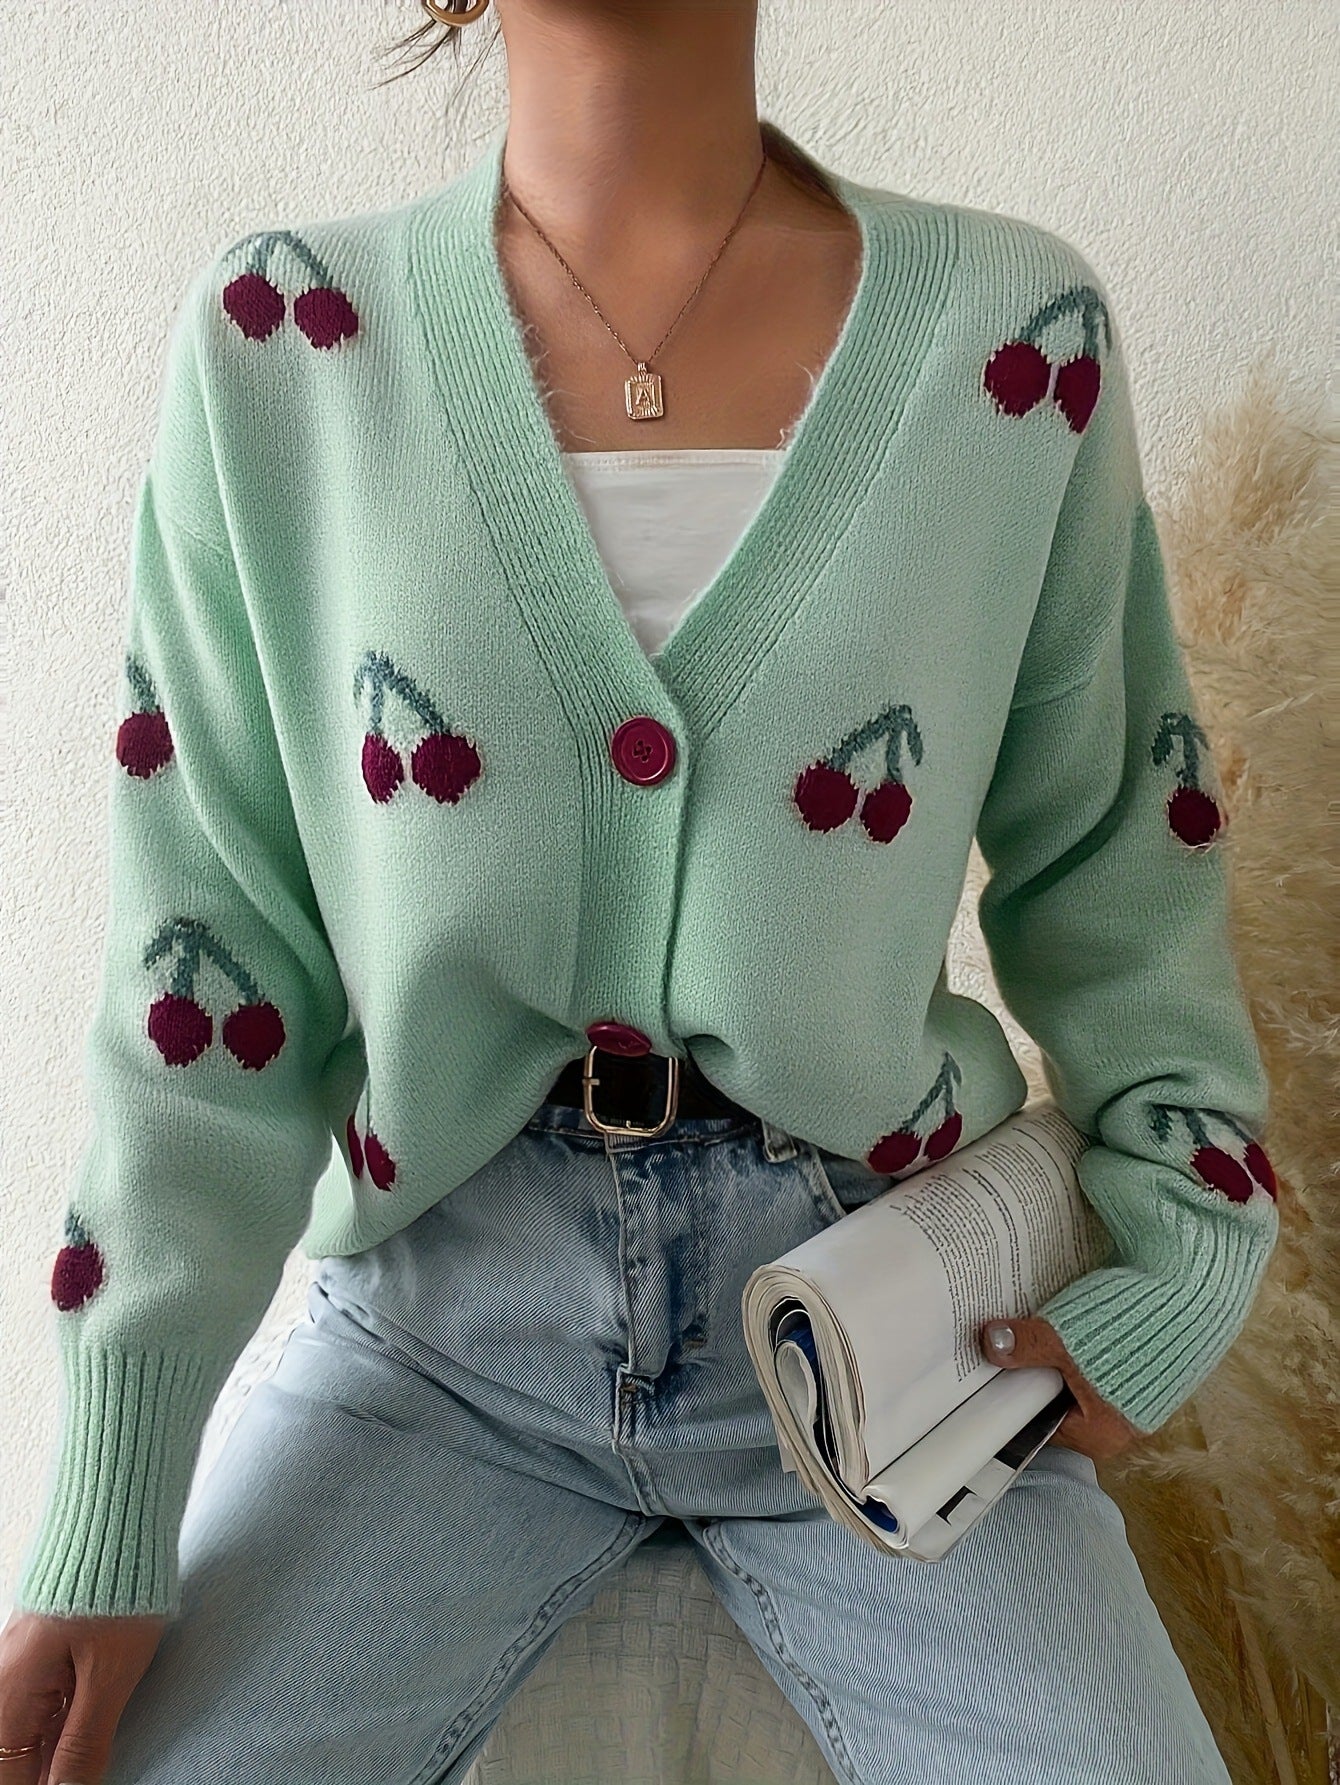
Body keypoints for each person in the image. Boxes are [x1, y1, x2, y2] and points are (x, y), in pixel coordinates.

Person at [0, 1, 1280, 1781]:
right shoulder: (285, 341)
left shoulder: (1013, 339)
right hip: (438, 1337)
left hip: (873, 1328)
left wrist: (1172, 1258)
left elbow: (1122, 860)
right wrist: (110, 1499)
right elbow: (206, 971)